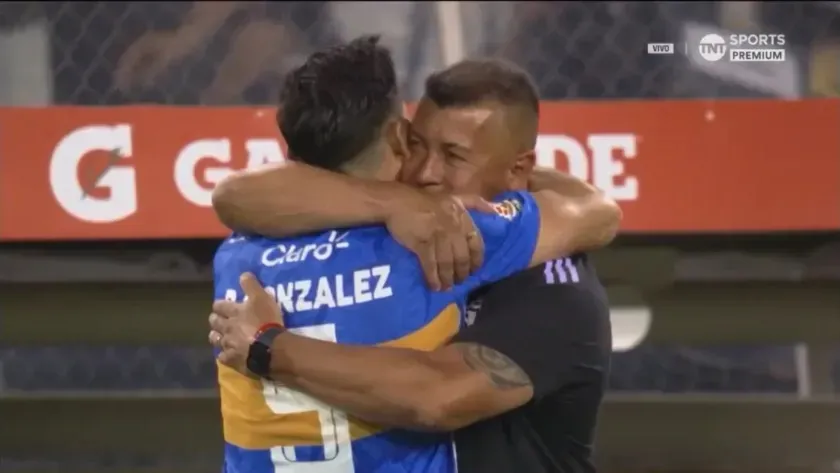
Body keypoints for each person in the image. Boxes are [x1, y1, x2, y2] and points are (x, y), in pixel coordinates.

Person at [211, 36, 620, 473]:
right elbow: (235, 194)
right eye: (416, 144)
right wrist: (394, 202)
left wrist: (266, 346)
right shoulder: (397, 235)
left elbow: (438, 396)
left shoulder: (555, 285)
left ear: (519, 169)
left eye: (454, 156)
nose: (425, 172)